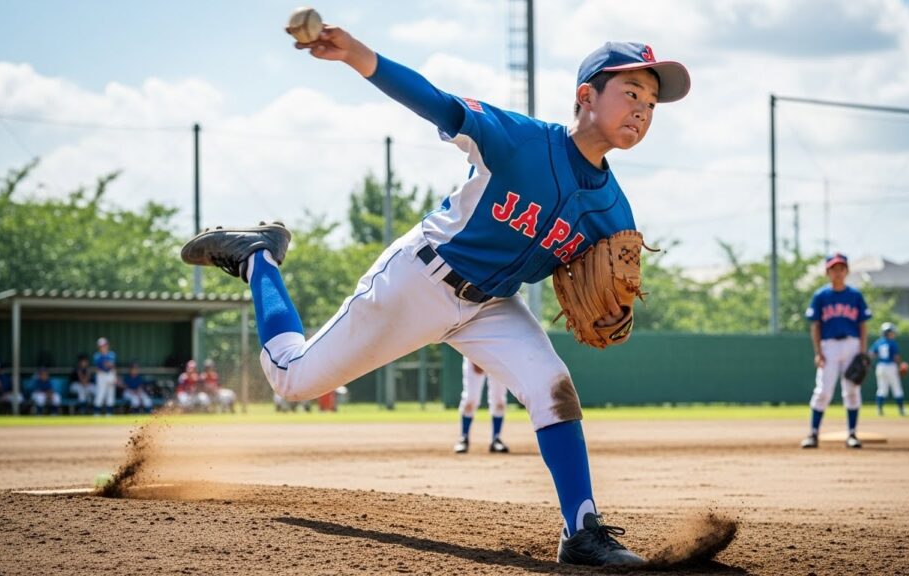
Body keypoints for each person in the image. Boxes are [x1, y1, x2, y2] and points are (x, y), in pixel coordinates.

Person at [180, 24, 690, 567]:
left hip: (493, 305)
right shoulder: (520, 140)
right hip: (420, 279)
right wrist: (357, 55)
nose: (642, 111)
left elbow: (603, 286)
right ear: (586, 95)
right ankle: (259, 256)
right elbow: (436, 102)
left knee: (553, 386)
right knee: (293, 379)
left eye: (651, 104)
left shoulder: (615, 211)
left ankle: (582, 530)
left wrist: (611, 313)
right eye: (631, 93)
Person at [801, 253, 872, 449]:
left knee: (852, 390)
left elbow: (863, 325)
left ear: (847, 271)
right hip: (829, 345)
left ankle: (852, 434)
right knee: (823, 390)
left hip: (852, 344)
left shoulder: (855, 295)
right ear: (827, 272)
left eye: (841, 268)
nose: (838, 272)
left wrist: (862, 352)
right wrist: (818, 352)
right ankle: (813, 433)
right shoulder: (821, 296)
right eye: (834, 269)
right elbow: (815, 325)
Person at [454, 357, 509, 454]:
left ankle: (496, 438)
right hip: (474, 355)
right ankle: (464, 437)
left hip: (499, 358)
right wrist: (475, 359)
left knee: (499, 400)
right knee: (471, 399)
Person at [869, 322, 908, 416]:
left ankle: (879, 410)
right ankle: (901, 410)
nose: (893, 334)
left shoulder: (878, 342)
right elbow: (896, 357)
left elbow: (871, 354)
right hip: (891, 366)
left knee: (882, 389)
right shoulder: (892, 342)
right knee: (897, 389)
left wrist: (870, 363)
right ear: (887, 333)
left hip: (880, 367)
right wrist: (901, 364)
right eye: (891, 332)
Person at [92, 337, 118, 416]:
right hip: (101, 375)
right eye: (101, 346)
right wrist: (107, 364)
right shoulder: (97, 355)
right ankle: (96, 413)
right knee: (100, 393)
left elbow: (112, 366)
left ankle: (109, 413)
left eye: (104, 345)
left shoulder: (112, 354)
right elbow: (99, 366)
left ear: (107, 345)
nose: (103, 347)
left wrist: (115, 376)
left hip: (110, 374)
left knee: (110, 393)